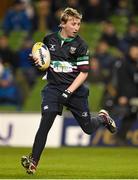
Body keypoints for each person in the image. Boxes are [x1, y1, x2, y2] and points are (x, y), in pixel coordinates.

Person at [21, 7, 117, 174]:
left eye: (78, 24)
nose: (76, 27)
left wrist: (69, 92)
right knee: (46, 121)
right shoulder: (48, 39)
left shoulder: (81, 45)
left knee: (88, 128)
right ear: (62, 24)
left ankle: (102, 118)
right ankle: (33, 161)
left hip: (75, 91)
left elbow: (84, 73)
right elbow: (45, 66)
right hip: (53, 89)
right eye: (73, 24)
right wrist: (37, 63)